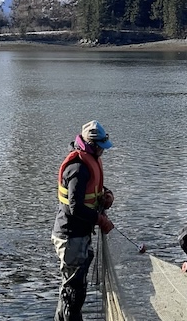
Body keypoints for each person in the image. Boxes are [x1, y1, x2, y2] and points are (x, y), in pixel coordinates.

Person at [52, 121, 116, 321]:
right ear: (93, 145)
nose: (103, 152)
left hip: (80, 235)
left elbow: (90, 192)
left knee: (74, 290)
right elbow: (75, 207)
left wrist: (106, 194)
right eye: (101, 148)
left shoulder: (89, 162)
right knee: (73, 292)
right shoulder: (78, 168)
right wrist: (99, 219)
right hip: (70, 236)